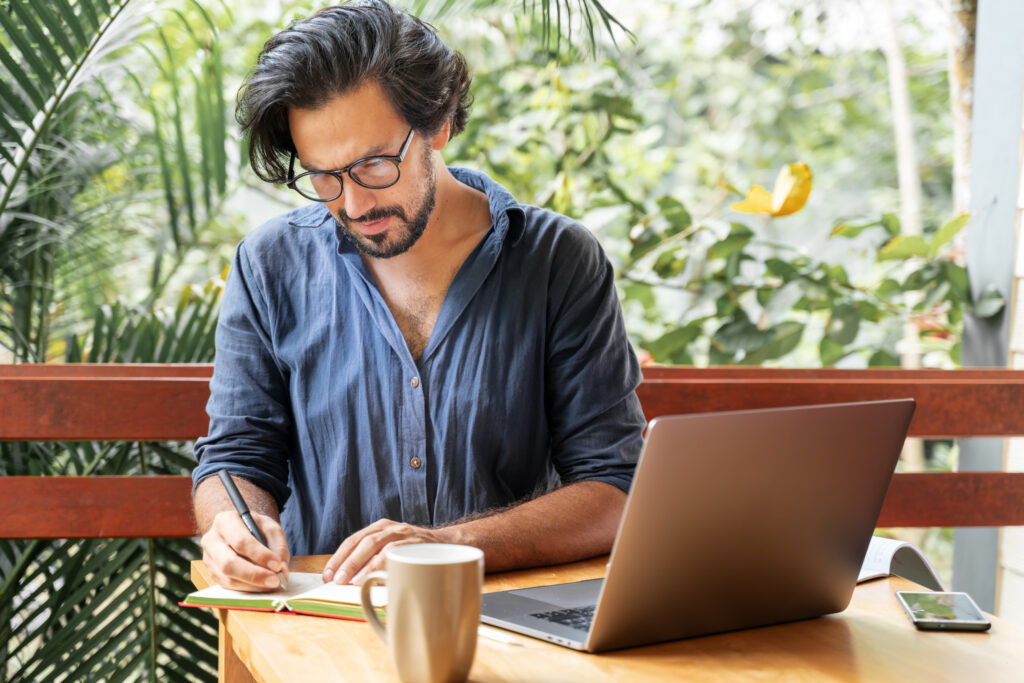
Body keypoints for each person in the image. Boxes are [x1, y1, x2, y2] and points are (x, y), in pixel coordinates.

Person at [191, 0, 645, 593]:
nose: (353, 206)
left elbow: (614, 487)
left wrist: (446, 546)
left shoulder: (558, 260)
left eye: (374, 165)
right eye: (323, 177)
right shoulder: (270, 264)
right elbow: (235, 458)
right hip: (322, 625)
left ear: (438, 124)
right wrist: (231, 524)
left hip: (508, 623)